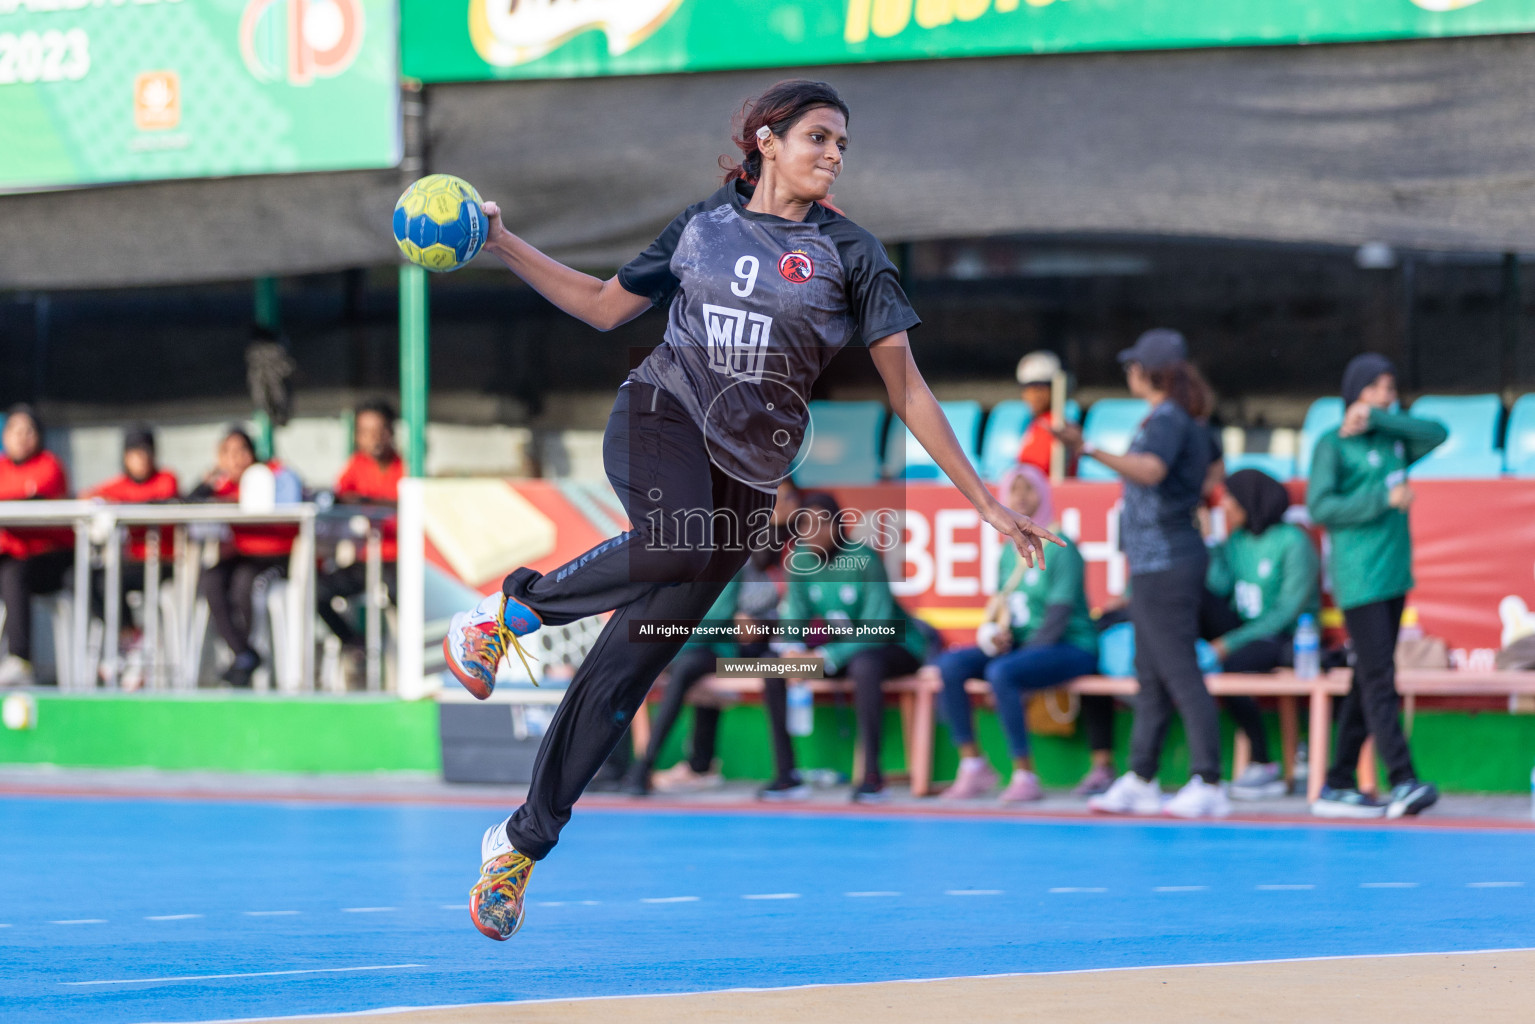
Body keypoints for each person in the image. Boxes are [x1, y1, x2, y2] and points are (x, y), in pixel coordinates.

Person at [437, 79, 1061, 941]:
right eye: (817, 137)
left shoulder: (853, 254)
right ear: (767, 140)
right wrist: (501, 241)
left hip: (747, 477)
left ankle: (517, 843)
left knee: (627, 669)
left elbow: (907, 390)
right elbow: (599, 305)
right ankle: (508, 610)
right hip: (660, 415)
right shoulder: (702, 226)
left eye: (842, 143)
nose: (834, 154)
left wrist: (987, 502)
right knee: (667, 546)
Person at [1055, 329, 1227, 818]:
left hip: (1167, 563)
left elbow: (1150, 471)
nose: (1127, 372)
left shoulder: (1168, 419)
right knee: (1149, 676)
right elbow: (1213, 468)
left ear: (1150, 373)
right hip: (1160, 562)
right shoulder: (1182, 419)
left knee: (1179, 673)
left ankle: (1209, 782)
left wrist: (1088, 450)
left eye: (1132, 365)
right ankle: (1142, 777)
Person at [1308, 354, 1446, 819]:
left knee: (1368, 677)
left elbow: (1438, 433)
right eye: (1379, 389)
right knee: (1379, 679)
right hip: (1359, 577)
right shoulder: (1333, 444)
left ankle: (1338, 782)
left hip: (1393, 574)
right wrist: (1381, 498)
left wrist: (1382, 417)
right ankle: (1403, 779)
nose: (1389, 396)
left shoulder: (1394, 438)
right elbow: (1321, 506)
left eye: (1391, 389)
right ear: (1356, 391)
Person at [937, 465, 1097, 802]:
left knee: (1002, 672)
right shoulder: (1005, 555)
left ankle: (1025, 775)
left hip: (1072, 647)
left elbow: (1057, 621)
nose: (1022, 497)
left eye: (1030, 489)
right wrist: (999, 637)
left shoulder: (1061, 547)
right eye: (1015, 490)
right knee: (949, 666)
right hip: (1026, 646)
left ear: (1045, 493)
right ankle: (973, 766)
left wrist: (1016, 659)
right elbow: (1004, 613)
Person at [773, 492, 928, 804]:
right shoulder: (800, 560)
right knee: (772, 669)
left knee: (865, 665)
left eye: (820, 523)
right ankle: (787, 776)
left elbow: (878, 628)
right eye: (805, 525)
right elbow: (794, 616)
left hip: (895, 646)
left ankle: (872, 776)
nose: (812, 532)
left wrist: (823, 657)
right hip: (840, 652)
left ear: (837, 525)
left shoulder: (865, 559)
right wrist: (792, 649)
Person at [1202, 468, 1320, 800]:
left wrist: (1228, 644)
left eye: (1231, 500)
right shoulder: (1236, 541)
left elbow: (1286, 613)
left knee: (1233, 663)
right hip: (1245, 632)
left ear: (1252, 502)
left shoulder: (1293, 541)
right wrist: (1212, 544)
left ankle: (1263, 761)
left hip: (1289, 638)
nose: (1224, 506)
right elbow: (1218, 587)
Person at [190, 427, 296, 688]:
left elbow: (292, 501)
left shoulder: (275, 475)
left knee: (243, 585)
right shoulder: (224, 484)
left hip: (274, 556)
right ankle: (244, 653)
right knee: (211, 579)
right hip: (243, 554)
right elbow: (190, 503)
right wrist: (208, 481)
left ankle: (247, 659)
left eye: (242, 451)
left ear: (253, 453)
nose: (236, 459)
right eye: (228, 453)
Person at [82, 425, 180, 665]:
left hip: (162, 562)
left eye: (146, 452)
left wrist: (121, 505)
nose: (141, 459)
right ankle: (130, 637)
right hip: (131, 562)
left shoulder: (165, 479)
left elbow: (159, 503)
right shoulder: (120, 484)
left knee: (108, 579)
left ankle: (130, 642)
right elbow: (87, 497)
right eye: (135, 453)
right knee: (87, 579)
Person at [317, 400, 403, 652]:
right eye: (365, 431)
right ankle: (355, 646)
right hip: (366, 561)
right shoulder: (356, 466)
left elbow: (412, 506)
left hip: (399, 560)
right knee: (316, 590)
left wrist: (369, 502)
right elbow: (338, 500)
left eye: (379, 429)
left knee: (408, 599)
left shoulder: (406, 466)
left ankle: (413, 661)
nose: (373, 437)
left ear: (391, 432)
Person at [0, 405, 71, 687]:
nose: (21, 437)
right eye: (15, 431)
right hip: (10, 559)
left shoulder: (49, 465)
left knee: (14, 573)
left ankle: (20, 660)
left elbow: (33, 503)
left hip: (50, 559)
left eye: (28, 431)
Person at [1014, 350, 1073, 477]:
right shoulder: (1035, 424)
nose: (1032, 395)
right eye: (1027, 389)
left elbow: (1036, 470)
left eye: (1039, 389)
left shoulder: (1058, 426)